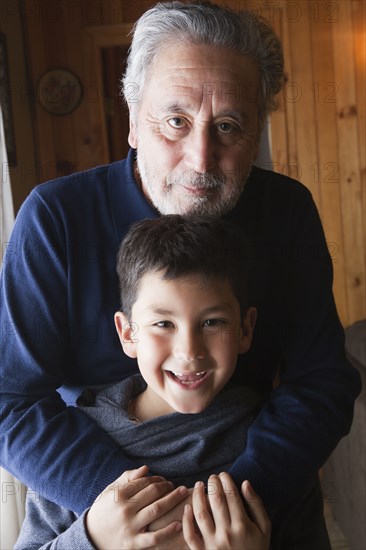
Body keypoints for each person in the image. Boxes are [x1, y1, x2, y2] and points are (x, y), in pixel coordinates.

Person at [0, 0, 360, 538]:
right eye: (175, 121)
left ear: (257, 129)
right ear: (133, 121)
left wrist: (234, 505)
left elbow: (323, 381)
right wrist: (134, 510)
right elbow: (10, 401)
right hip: (101, 498)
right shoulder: (56, 218)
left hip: (252, 498)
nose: (200, 158)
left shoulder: (286, 212)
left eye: (229, 126)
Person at [15, 215, 272, 550]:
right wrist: (93, 539)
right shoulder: (75, 447)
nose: (189, 351)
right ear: (127, 333)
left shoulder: (271, 440)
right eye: (163, 323)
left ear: (245, 329)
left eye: (212, 322)